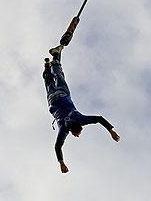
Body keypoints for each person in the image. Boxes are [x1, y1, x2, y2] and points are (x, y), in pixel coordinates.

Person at [43, 45, 120, 173]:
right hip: (53, 101)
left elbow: (99, 119)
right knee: (49, 83)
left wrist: (111, 130)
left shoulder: (80, 119)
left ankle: (55, 58)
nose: (77, 136)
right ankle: (47, 67)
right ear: (72, 131)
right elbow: (57, 147)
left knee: (59, 76)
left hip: (63, 95)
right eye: (76, 134)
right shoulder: (63, 129)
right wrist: (61, 163)